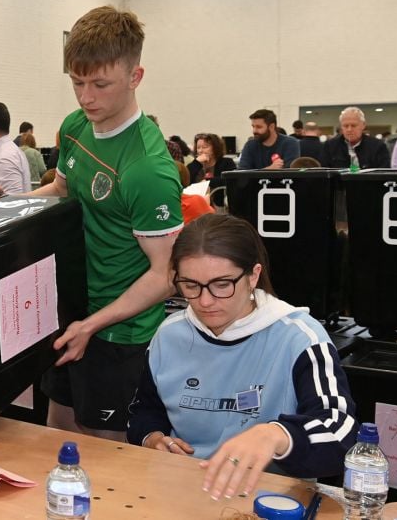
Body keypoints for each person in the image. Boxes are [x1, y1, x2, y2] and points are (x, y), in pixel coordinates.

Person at [0, 6, 182, 441]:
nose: (86, 97)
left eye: (100, 84)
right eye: (77, 82)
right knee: (56, 435)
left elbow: (166, 276)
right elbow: (61, 190)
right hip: (72, 311)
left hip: (120, 331)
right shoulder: (76, 126)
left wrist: (92, 326)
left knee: (105, 453)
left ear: (135, 77)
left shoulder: (147, 170)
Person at [127, 214, 357, 499]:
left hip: (272, 497)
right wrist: (152, 438)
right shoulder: (169, 336)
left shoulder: (299, 338)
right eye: (190, 285)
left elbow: (340, 432)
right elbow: (145, 410)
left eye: (222, 284)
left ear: (253, 276)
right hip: (183, 489)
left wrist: (276, 435)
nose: (205, 301)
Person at [320, 107, 390, 169]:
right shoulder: (330, 146)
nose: (349, 129)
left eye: (353, 125)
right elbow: (324, 174)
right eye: (345, 126)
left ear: (363, 125)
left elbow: (384, 174)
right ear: (341, 127)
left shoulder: (378, 146)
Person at [188, 133, 235, 207]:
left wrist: (206, 182)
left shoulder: (227, 162)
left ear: (215, 148)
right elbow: (186, 180)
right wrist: (196, 163)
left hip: (220, 205)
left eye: (205, 147)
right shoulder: (194, 165)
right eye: (198, 147)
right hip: (196, 204)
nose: (200, 151)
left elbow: (230, 180)